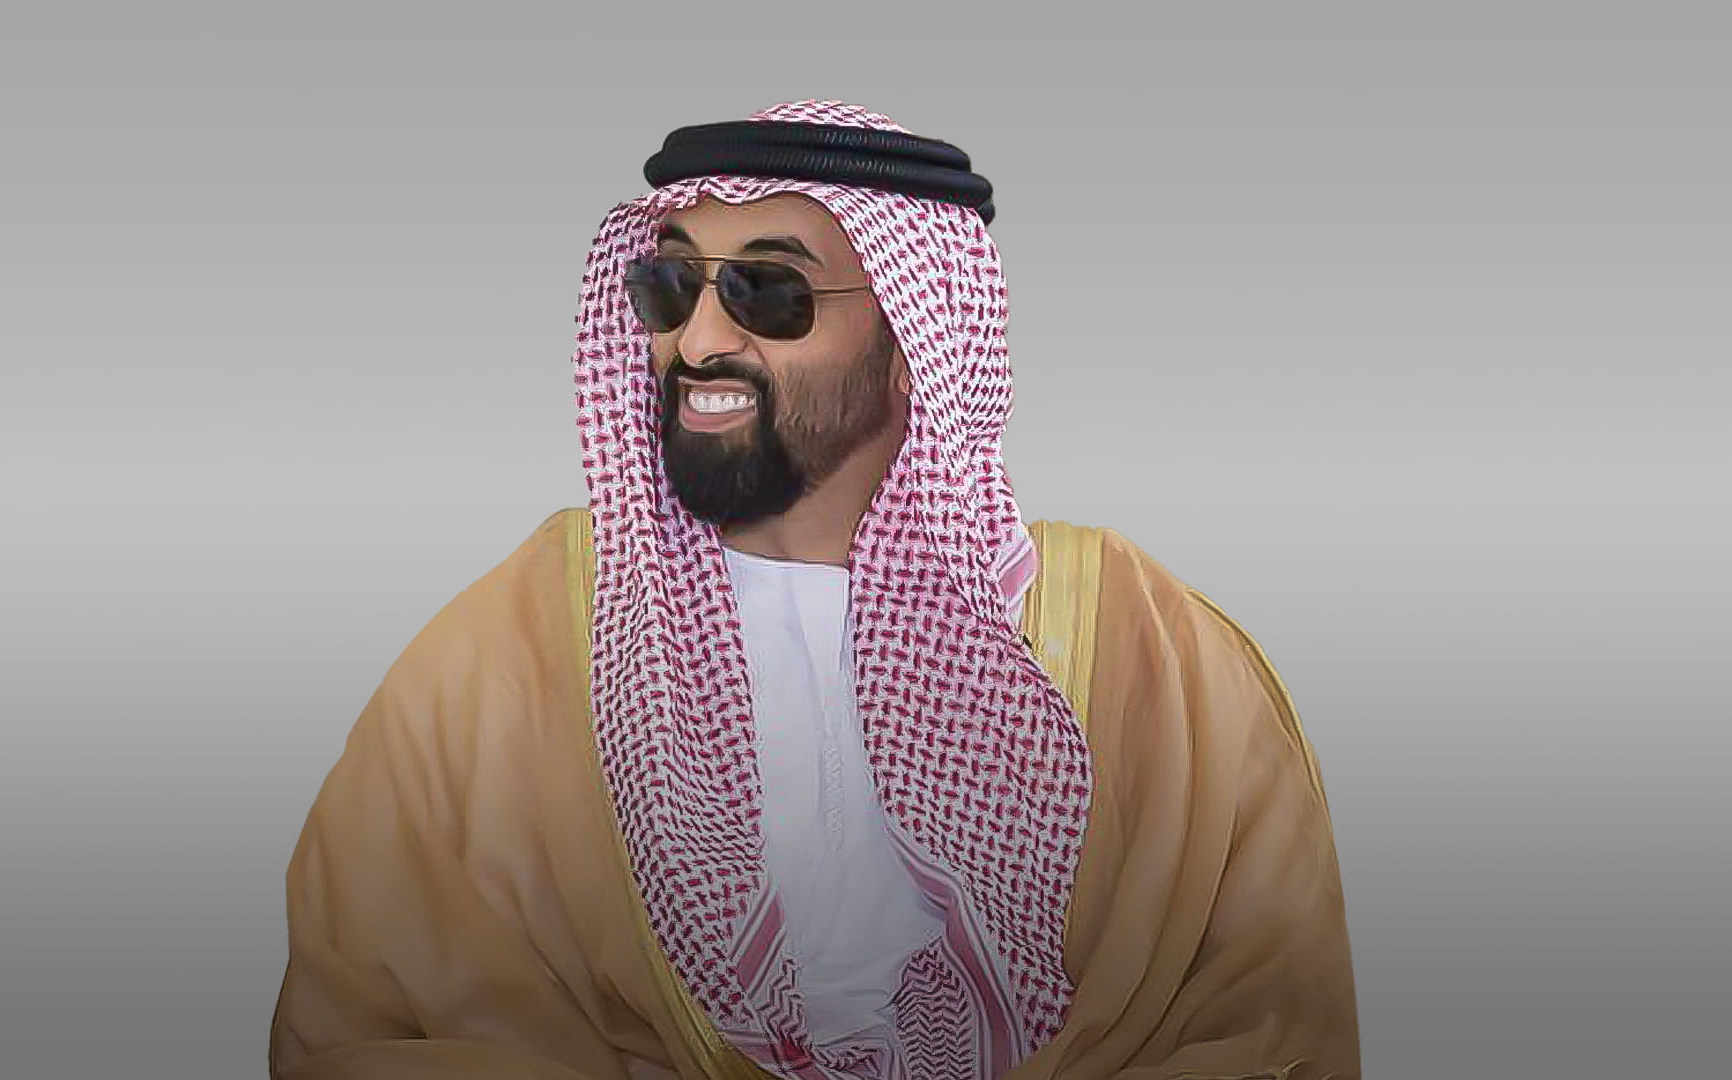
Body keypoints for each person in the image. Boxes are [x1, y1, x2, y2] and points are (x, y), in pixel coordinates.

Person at [269, 100, 1361, 1080]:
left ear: (914, 339)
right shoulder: (514, 645)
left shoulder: (1141, 645)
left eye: (770, 293)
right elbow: (374, 1020)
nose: (699, 340)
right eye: (671, 287)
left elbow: (1270, 1017)